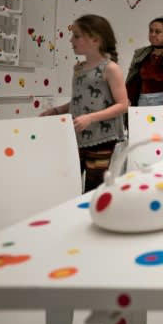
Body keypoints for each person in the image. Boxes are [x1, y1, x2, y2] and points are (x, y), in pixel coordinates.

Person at [40, 14, 127, 192]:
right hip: (77, 136)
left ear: (95, 39)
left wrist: (90, 118)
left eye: (77, 36)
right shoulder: (78, 69)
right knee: (68, 184)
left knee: (93, 189)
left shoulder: (110, 69)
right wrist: (57, 110)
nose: (71, 40)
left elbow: (123, 105)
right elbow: (82, 100)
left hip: (102, 140)